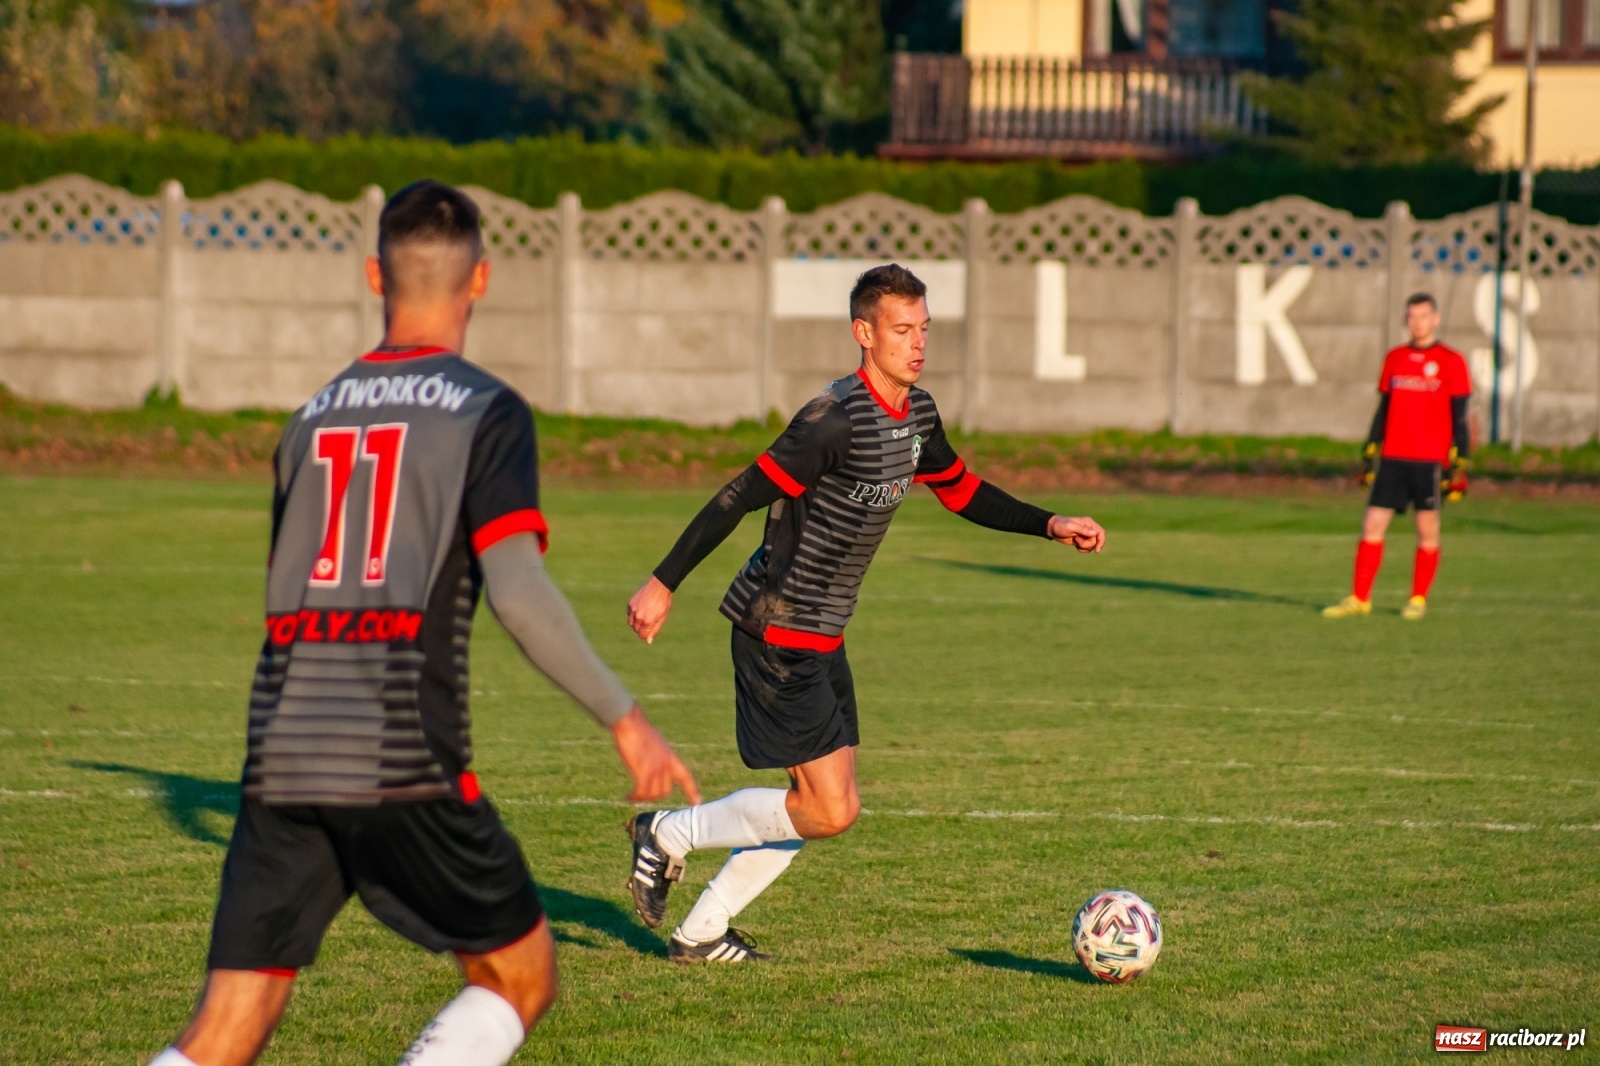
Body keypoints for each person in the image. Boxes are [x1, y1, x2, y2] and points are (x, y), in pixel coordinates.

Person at [149, 181, 700, 1066]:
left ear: (375, 274)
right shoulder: (486, 412)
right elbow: (517, 591)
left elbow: (284, 590)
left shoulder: (308, 418)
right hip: (400, 755)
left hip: (282, 750)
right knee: (520, 976)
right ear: (480, 279)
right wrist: (626, 721)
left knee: (225, 1031)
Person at [622, 263, 1106, 964]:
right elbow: (738, 495)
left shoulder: (918, 417)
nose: (917, 344)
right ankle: (668, 834)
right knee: (829, 808)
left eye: (924, 329)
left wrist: (1050, 522)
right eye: (902, 330)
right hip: (776, 631)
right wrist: (664, 581)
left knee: (824, 804)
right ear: (864, 333)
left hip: (823, 634)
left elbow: (964, 491)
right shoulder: (832, 422)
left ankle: (700, 934)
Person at [1324, 292, 1471, 622]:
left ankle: (1417, 598)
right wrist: (1370, 448)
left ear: (1435, 319)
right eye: (1411, 316)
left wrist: (1460, 460)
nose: (1416, 322)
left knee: (1426, 527)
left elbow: (1459, 414)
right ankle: (1360, 598)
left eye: (1423, 316)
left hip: (1429, 459)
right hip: (1393, 456)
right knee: (1373, 524)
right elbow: (1384, 407)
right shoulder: (1395, 358)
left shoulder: (1451, 361)